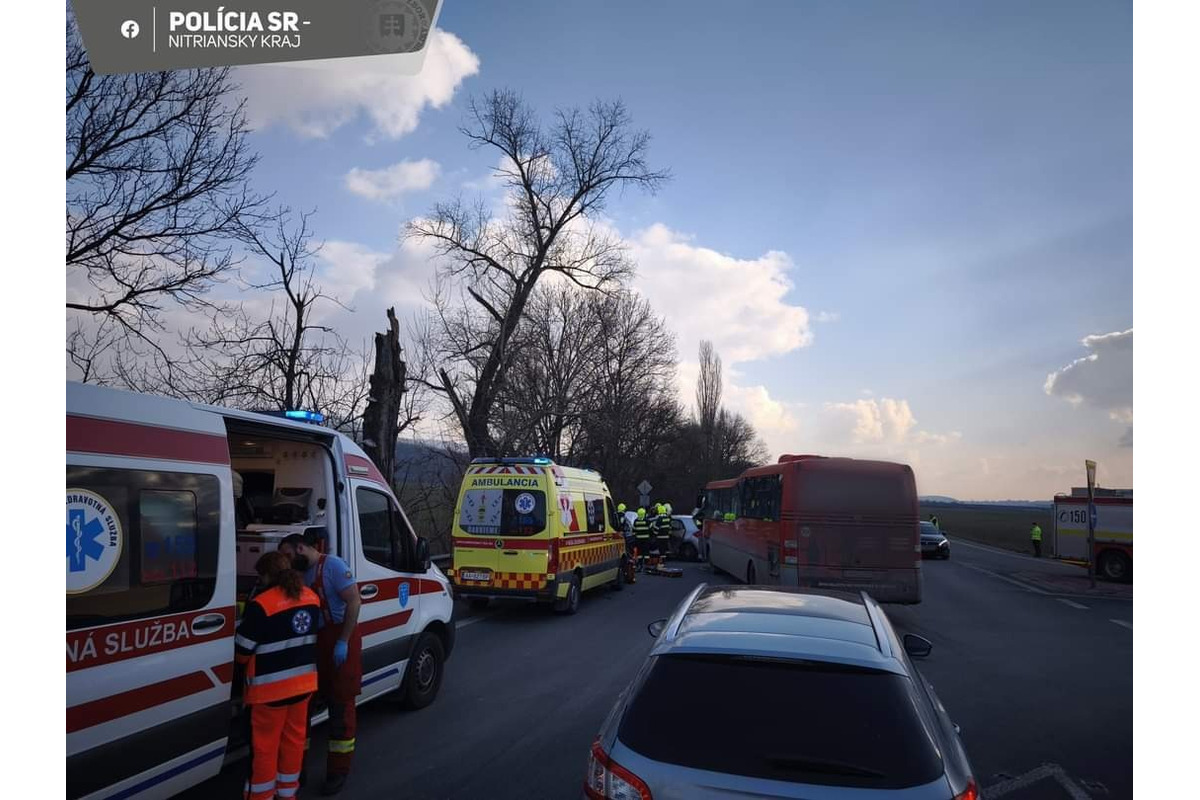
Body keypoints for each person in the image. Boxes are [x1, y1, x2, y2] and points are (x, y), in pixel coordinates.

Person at [279, 532, 362, 796]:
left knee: (341, 710)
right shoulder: (299, 574)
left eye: (289, 555)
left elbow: (354, 601)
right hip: (315, 643)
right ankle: (296, 769)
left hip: (339, 639)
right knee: (301, 710)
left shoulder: (333, 566)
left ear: (301, 548)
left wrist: (343, 641)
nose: (287, 561)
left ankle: (338, 771)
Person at [235, 551, 320, 800]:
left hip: (269, 692)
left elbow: (242, 651)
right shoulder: (311, 598)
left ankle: (261, 796)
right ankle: (287, 794)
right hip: (303, 688)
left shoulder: (262, 604)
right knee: (293, 743)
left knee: (265, 748)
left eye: (260, 577)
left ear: (268, 575)